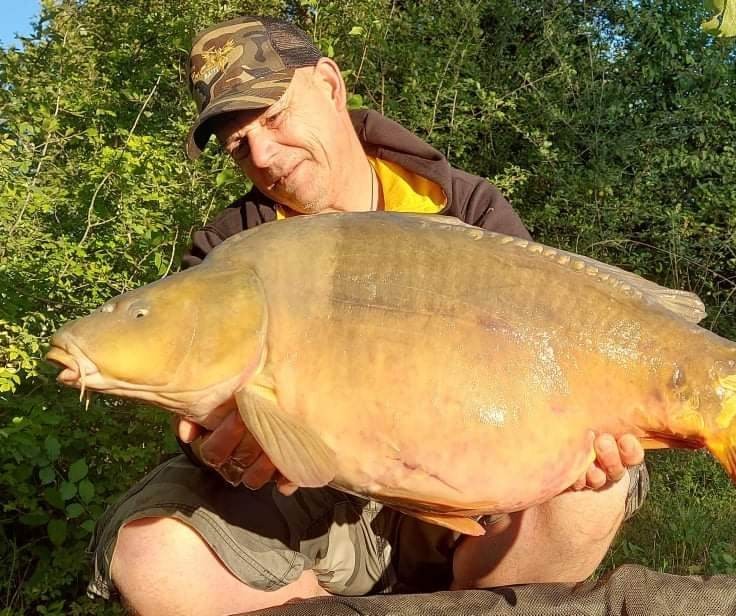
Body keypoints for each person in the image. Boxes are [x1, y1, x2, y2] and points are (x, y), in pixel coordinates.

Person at [86, 16, 648, 615]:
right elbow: (206, 428)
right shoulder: (226, 251)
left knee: (593, 494)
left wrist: (586, 434)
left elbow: (548, 360)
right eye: (238, 144)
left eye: (274, 118)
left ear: (330, 85)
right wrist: (223, 444)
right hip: (319, 506)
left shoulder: (466, 208)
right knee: (152, 553)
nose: (265, 155)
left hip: (470, 490)